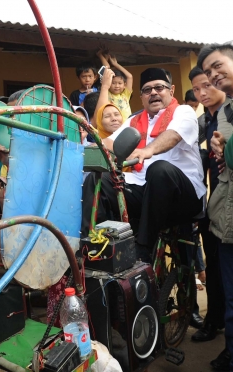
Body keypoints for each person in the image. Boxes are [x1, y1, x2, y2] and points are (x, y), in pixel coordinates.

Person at [81, 68, 206, 263]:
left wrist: (147, 150)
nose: (153, 93)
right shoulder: (133, 120)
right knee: (99, 180)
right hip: (145, 192)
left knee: (159, 170)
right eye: (147, 90)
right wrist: (78, 148)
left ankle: (143, 247)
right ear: (141, 97)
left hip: (182, 197)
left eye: (159, 87)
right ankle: (95, 245)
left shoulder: (184, 111)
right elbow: (109, 142)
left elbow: (173, 136)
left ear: (171, 91)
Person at [198, 42, 233, 371]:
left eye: (216, 69)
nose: (209, 82)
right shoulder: (209, 121)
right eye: (203, 79)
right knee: (221, 282)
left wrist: (226, 147)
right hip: (218, 209)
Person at [188, 66, 227, 347]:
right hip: (212, 205)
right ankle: (215, 320)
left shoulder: (228, 117)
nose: (202, 93)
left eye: (206, 86)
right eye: (197, 89)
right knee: (213, 267)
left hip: (228, 206)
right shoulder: (205, 121)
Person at [96, 49, 133, 119]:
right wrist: (100, 55)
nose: (117, 86)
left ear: (125, 85)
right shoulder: (106, 93)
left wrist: (116, 64)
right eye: (113, 83)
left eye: (120, 83)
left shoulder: (126, 94)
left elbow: (129, 76)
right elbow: (106, 67)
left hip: (126, 126)